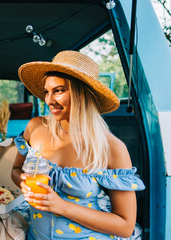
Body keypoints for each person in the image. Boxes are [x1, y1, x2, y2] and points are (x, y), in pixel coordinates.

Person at [11, 50, 145, 239]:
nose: (49, 100)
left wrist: (62, 206)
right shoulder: (35, 127)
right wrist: (24, 184)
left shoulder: (111, 148)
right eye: (46, 92)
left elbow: (124, 226)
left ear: (83, 94)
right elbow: (16, 169)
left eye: (58, 91)